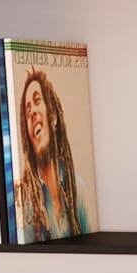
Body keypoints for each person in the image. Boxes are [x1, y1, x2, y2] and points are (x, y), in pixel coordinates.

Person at [15, 66, 90, 239]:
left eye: (37, 101)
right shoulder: (26, 204)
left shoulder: (77, 189)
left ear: (53, 117)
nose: (32, 113)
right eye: (27, 111)